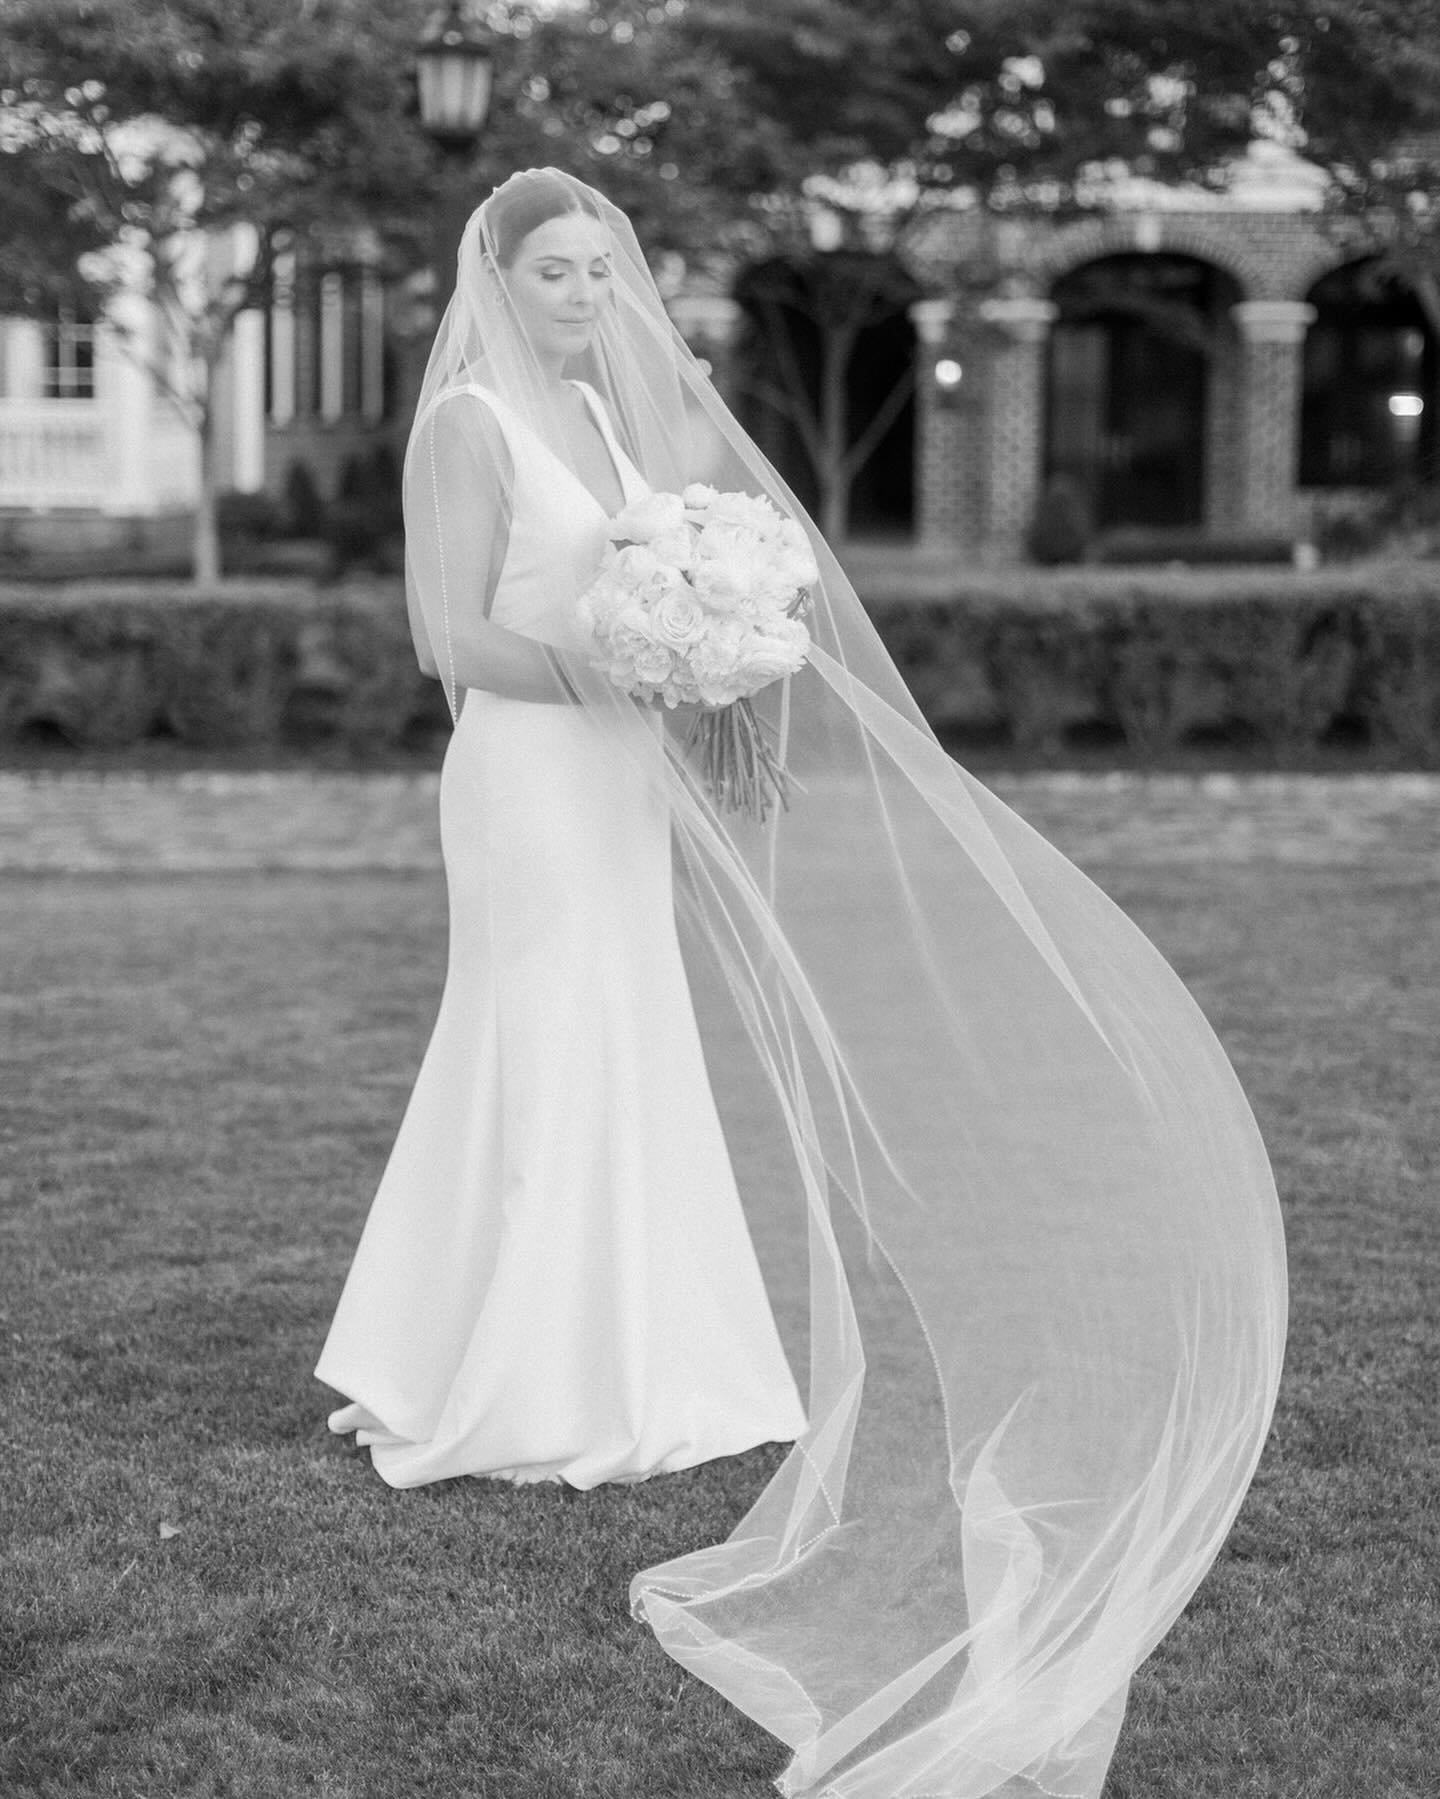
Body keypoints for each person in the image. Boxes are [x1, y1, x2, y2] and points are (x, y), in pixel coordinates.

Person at [316, 170, 1287, 1799]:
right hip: (531, 780)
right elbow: (450, 641)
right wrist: (627, 658)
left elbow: (695, 513)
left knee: (628, 1039)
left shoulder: (598, 410)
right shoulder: (470, 425)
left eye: (599, 267)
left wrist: (720, 607)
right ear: (493, 274)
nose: (579, 293)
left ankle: (630, 1352)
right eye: (552, 271)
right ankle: (499, 1369)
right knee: (539, 1037)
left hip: (623, 778)